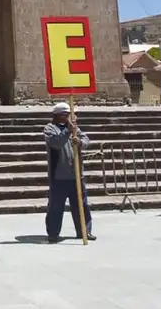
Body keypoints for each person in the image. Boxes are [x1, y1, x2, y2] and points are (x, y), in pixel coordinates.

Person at [43, 102, 95, 243]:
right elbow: (56, 143)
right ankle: (53, 233)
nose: (73, 117)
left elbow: (85, 139)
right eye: (68, 115)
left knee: (81, 205)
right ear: (60, 115)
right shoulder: (50, 129)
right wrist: (67, 131)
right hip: (59, 175)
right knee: (56, 206)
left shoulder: (75, 129)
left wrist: (80, 142)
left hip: (76, 174)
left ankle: (84, 230)